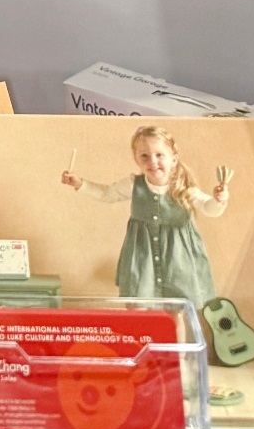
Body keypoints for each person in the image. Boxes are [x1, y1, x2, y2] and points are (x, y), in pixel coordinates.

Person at [62, 124, 230, 305]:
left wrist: (219, 200)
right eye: (145, 156)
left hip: (178, 260)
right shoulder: (134, 184)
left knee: (176, 308)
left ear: (173, 159)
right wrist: (80, 183)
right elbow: (107, 194)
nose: (153, 162)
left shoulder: (183, 188)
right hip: (142, 256)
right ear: (136, 160)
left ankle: (174, 326)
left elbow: (209, 208)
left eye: (159, 155)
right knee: (138, 303)